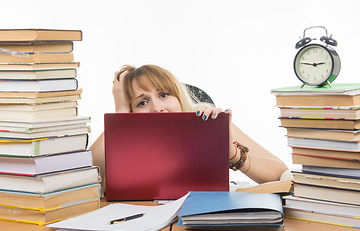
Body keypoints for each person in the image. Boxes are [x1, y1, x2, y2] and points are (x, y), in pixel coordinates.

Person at [90, 64, 290, 189]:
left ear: (178, 97)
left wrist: (231, 153)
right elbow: (86, 185)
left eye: (163, 95)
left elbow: (281, 175)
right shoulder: (125, 138)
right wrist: (121, 114)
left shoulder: (207, 121)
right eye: (142, 102)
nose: (157, 108)